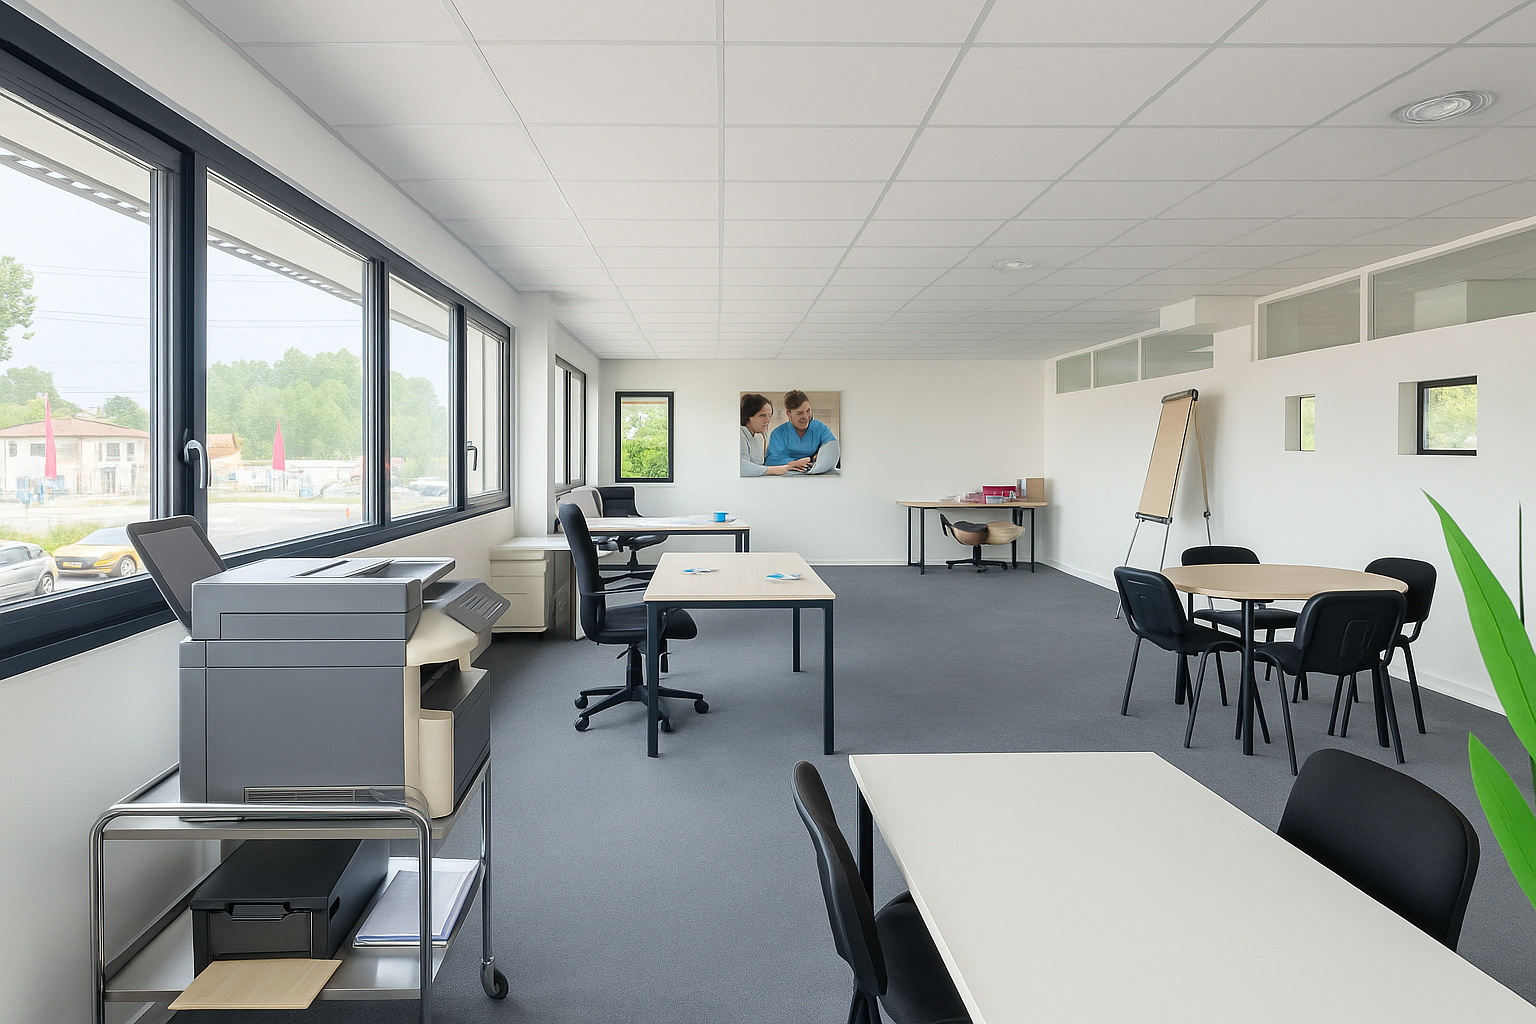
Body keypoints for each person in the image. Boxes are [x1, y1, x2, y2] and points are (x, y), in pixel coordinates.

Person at [764, 390, 839, 473]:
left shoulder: (819, 428)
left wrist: (816, 459)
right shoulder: (779, 433)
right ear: (788, 413)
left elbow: (831, 446)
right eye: (799, 413)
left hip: (815, 471)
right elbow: (772, 460)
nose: (806, 417)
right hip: (789, 473)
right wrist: (793, 463)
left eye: (808, 411)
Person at [740, 393, 809, 476]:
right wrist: (773, 470)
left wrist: (791, 464)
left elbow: (768, 460)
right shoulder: (740, 434)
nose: (768, 420)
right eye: (762, 415)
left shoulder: (761, 435)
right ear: (749, 417)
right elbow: (741, 466)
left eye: (769, 415)